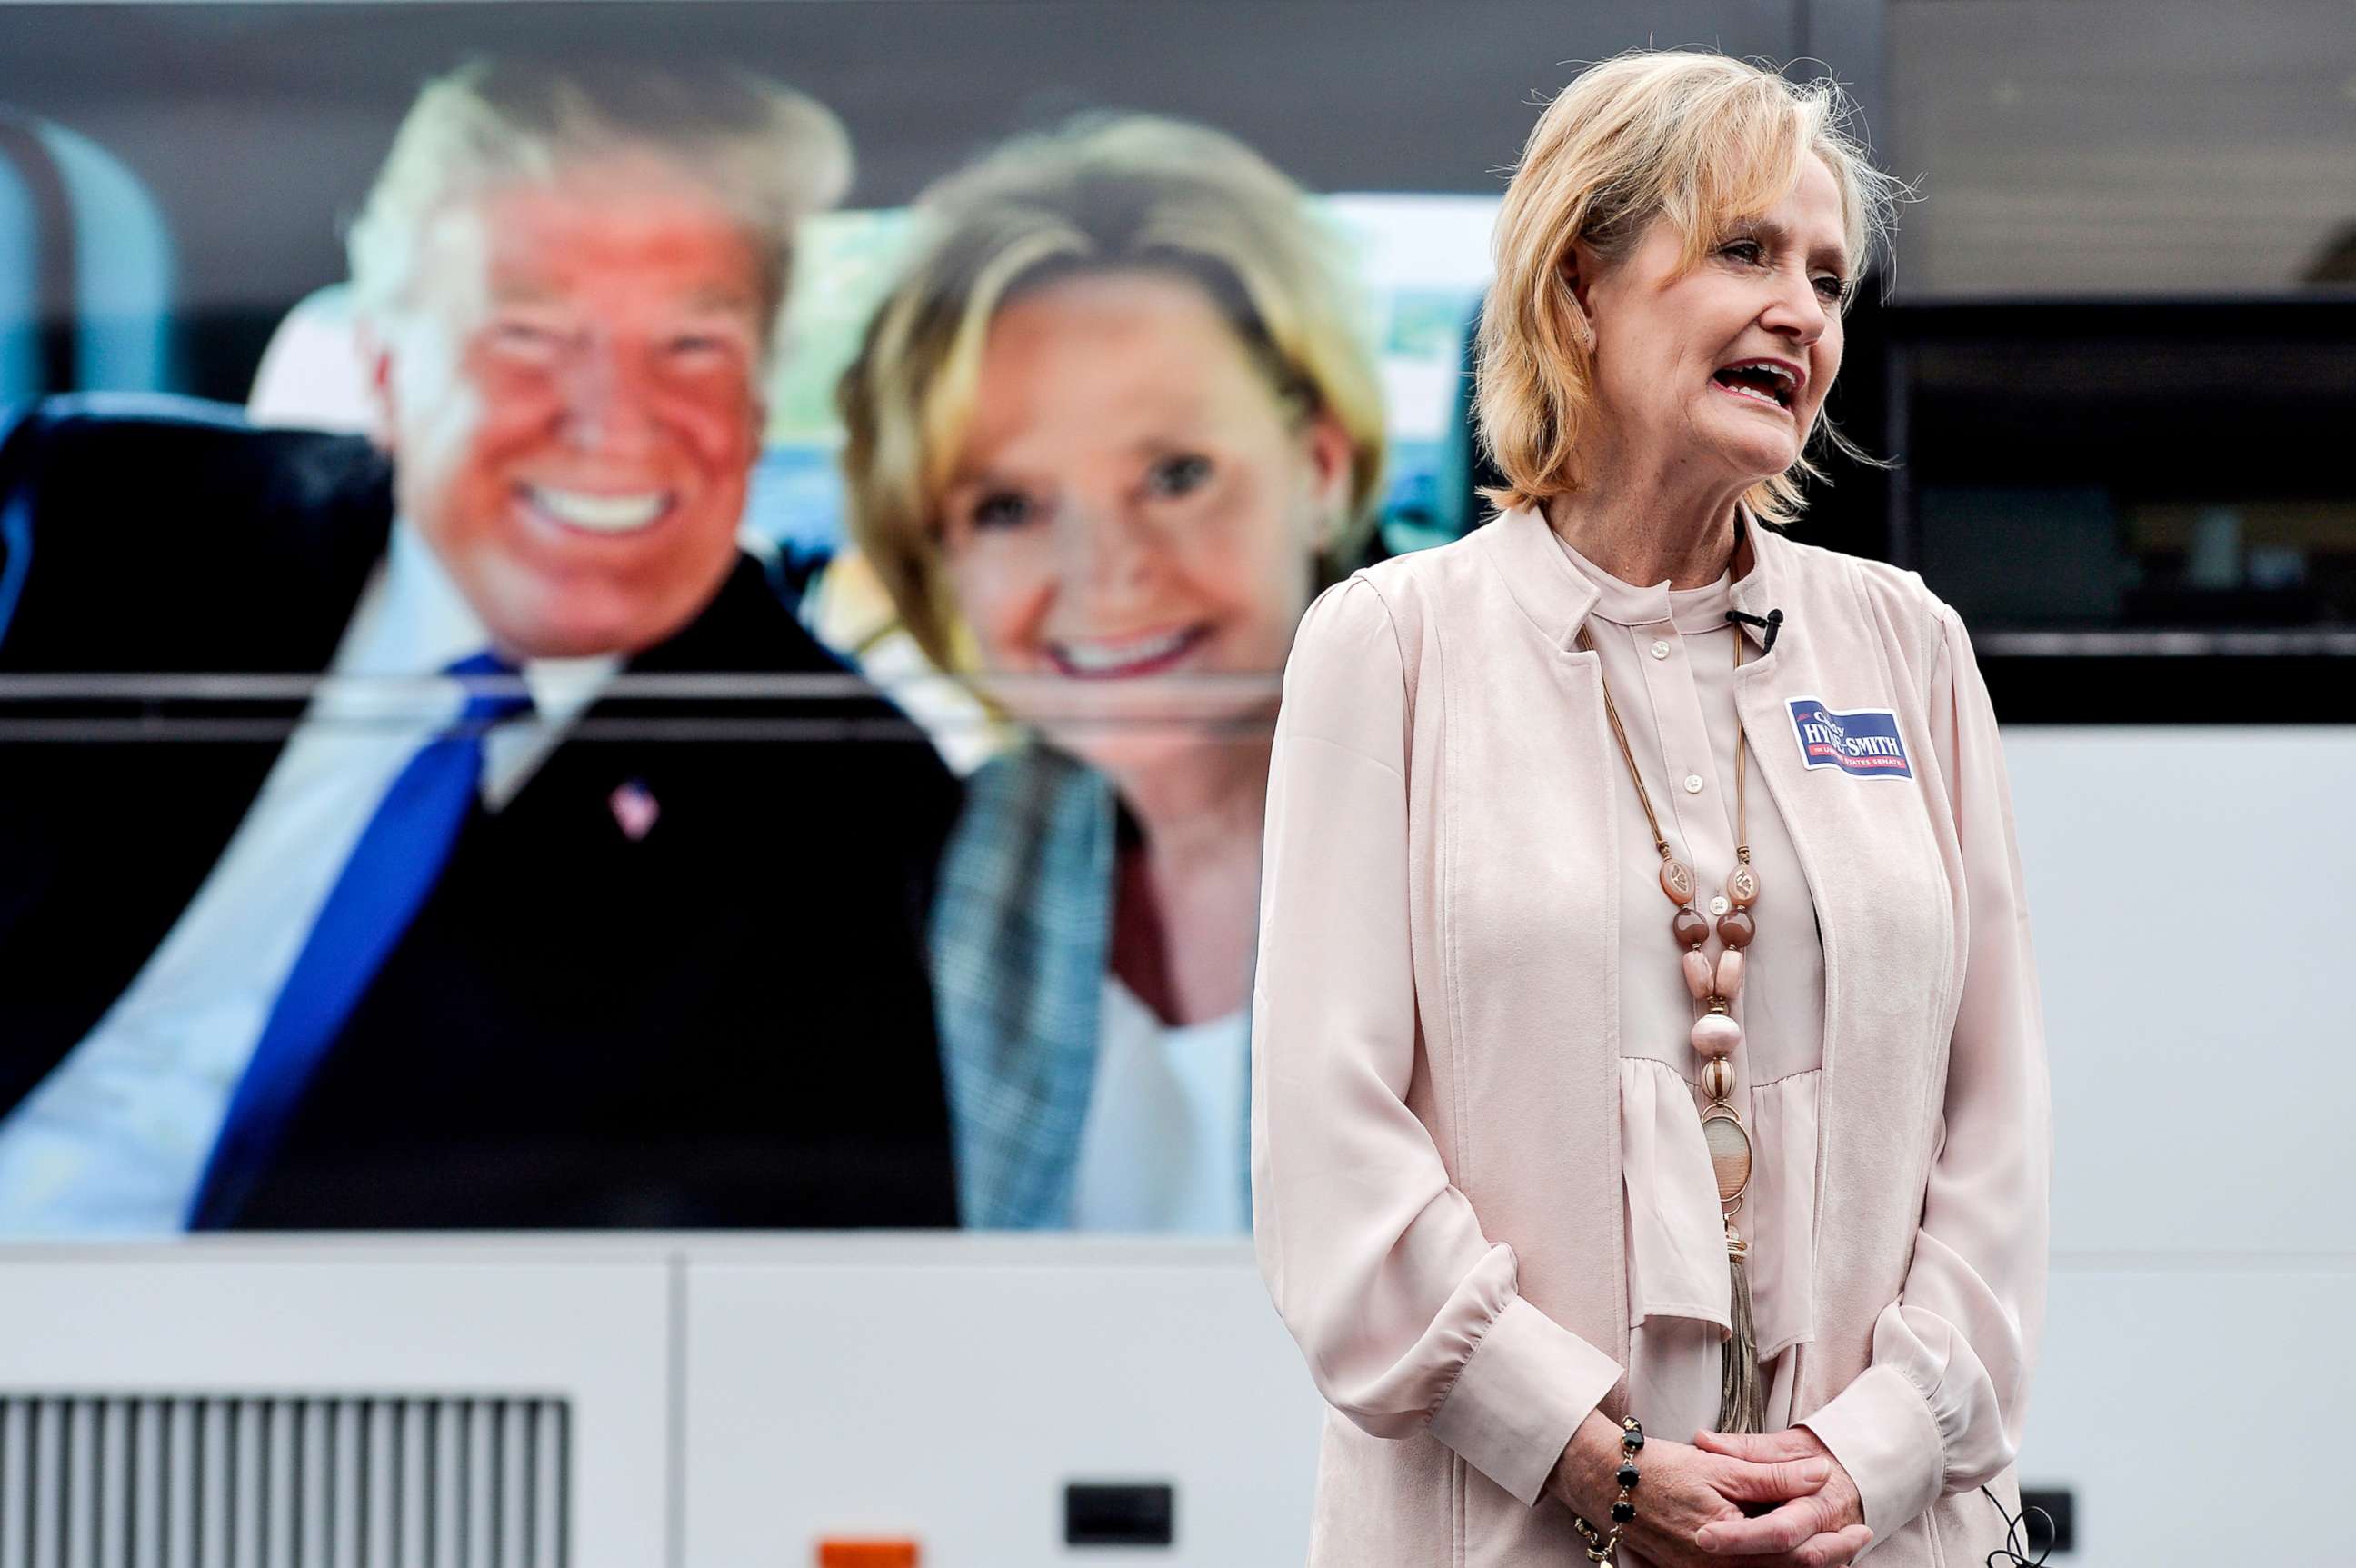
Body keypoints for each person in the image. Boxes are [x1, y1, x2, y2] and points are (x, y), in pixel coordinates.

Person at [1250, 51, 2047, 1568]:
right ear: (1576, 294)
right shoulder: (1391, 648)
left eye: (1825, 276)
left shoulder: (1909, 650)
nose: (1801, 313)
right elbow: (1325, 1149)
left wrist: (1869, 1457)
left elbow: (1994, 1128)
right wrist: (1588, 1459)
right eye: (1743, 251)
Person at [0, 58, 961, 1232]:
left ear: (759, 407)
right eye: (530, 333)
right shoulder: (98, 521)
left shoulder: (847, 795)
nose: (613, 415)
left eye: (692, 346)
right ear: (389, 375)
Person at [835, 116, 1386, 1230]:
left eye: (1176, 474)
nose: (1108, 574)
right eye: (1007, 507)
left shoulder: (1517, 839)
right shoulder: (936, 873)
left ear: (1319, 469)